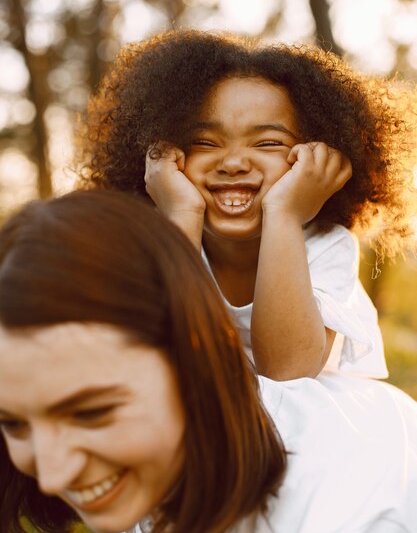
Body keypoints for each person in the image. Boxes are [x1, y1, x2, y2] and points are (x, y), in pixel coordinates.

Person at [1, 190, 417, 533]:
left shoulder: (355, 527)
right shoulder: (165, 451)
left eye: (91, 413)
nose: (53, 476)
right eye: (13, 423)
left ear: (194, 353)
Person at [78, 30, 416, 382]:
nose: (234, 162)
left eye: (268, 142)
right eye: (204, 142)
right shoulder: (145, 237)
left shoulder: (324, 245)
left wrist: (284, 215)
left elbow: (287, 370)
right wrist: (181, 216)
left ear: (314, 158)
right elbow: (153, 359)